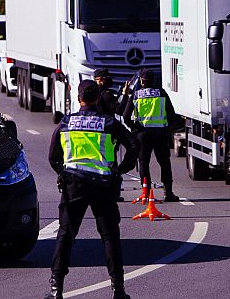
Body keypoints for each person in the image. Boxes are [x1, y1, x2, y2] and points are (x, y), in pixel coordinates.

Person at [46, 80, 140, 299]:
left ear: (79, 99)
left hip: (74, 184)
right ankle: (118, 290)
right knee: (109, 237)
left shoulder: (66, 122)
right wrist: (120, 169)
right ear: (98, 98)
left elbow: (52, 157)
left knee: (66, 236)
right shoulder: (108, 123)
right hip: (103, 185)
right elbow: (134, 145)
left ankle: (55, 289)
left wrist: (63, 173)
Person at [122, 68, 180, 202]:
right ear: (153, 80)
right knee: (164, 163)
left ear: (141, 80)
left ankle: (146, 193)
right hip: (160, 133)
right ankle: (168, 192)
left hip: (143, 134)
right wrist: (167, 128)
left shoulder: (136, 95)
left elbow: (125, 116)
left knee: (144, 163)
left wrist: (135, 128)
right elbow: (172, 114)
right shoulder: (161, 93)